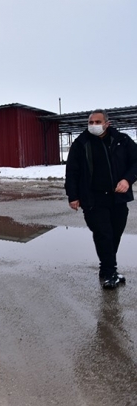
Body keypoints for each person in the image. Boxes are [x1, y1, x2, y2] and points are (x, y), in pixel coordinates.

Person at [65, 109, 137, 289]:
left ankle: (106, 268)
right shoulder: (81, 143)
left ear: (107, 123)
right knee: (103, 234)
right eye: (91, 122)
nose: (94, 125)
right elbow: (72, 172)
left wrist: (127, 179)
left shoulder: (122, 141)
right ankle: (111, 272)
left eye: (98, 122)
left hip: (118, 198)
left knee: (115, 233)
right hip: (93, 199)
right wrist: (72, 196)